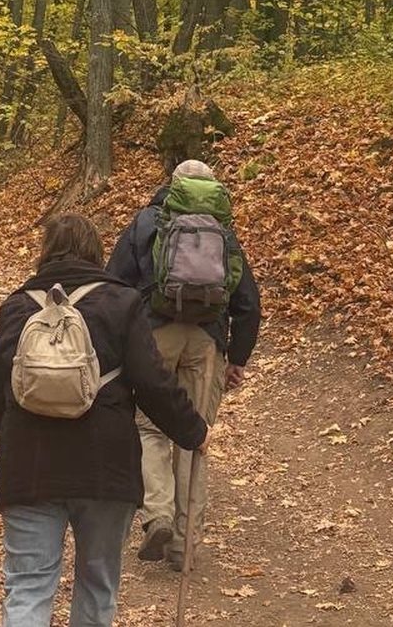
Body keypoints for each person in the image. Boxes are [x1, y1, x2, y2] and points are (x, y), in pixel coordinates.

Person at [0, 214, 212, 627]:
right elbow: (153, 383)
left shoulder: (16, 306)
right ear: (96, 253)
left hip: (28, 469)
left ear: (45, 253)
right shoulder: (122, 303)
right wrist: (192, 431)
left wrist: (20, 434)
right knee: (97, 584)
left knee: (29, 586)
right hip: (106, 467)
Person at [106, 159, 262, 572]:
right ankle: (184, 543)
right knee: (195, 436)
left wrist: (119, 341)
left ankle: (156, 515)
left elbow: (114, 282)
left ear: (171, 187)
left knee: (148, 427)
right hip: (207, 342)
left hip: (153, 336)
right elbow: (248, 302)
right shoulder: (223, 231)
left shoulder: (146, 222)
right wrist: (238, 358)